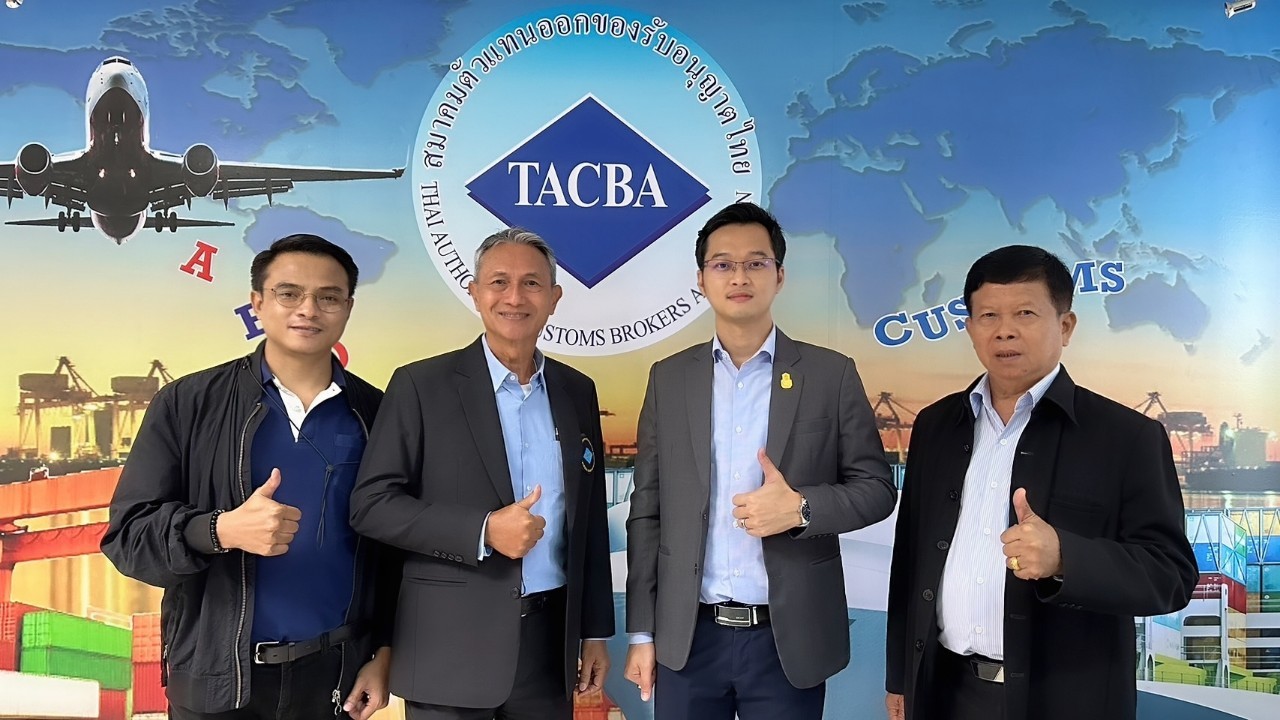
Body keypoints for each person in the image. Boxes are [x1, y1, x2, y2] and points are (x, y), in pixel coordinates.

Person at [884, 244, 1198, 720]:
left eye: (1025, 313)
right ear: (970, 328)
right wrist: (899, 679)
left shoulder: (1126, 436)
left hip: (1066, 701)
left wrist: (1065, 558)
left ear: (1065, 326)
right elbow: (909, 559)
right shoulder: (935, 425)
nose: (1004, 330)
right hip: (944, 692)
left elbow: (1170, 576)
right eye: (988, 315)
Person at [102, 234, 399, 720]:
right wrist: (219, 530)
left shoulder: (378, 414)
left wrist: (384, 649)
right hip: (217, 680)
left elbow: (394, 549)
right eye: (289, 293)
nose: (308, 309)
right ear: (257, 303)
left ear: (348, 308)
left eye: (328, 297)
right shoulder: (187, 404)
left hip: (336, 681)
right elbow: (129, 537)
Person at [624, 201, 897, 720]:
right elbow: (647, 510)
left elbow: (877, 489)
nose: (739, 277)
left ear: (780, 275)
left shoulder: (830, 374)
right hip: (688, 638)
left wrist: (801, 509)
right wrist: (641, 633)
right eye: (723, 264)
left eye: (756, 263)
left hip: (786, 640)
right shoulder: (669, 378)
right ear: (701, 279)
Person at [349, 228, 613, 720]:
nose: (514, 297)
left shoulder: (577, 390)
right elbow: (372, 506)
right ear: (474, 293)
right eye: (499, 282)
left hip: (548, 652)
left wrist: (595, 632)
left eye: (531, 283)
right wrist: (484, 530)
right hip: (447, 652)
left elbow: (590, 521)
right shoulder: (421, 385)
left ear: (554, 298)